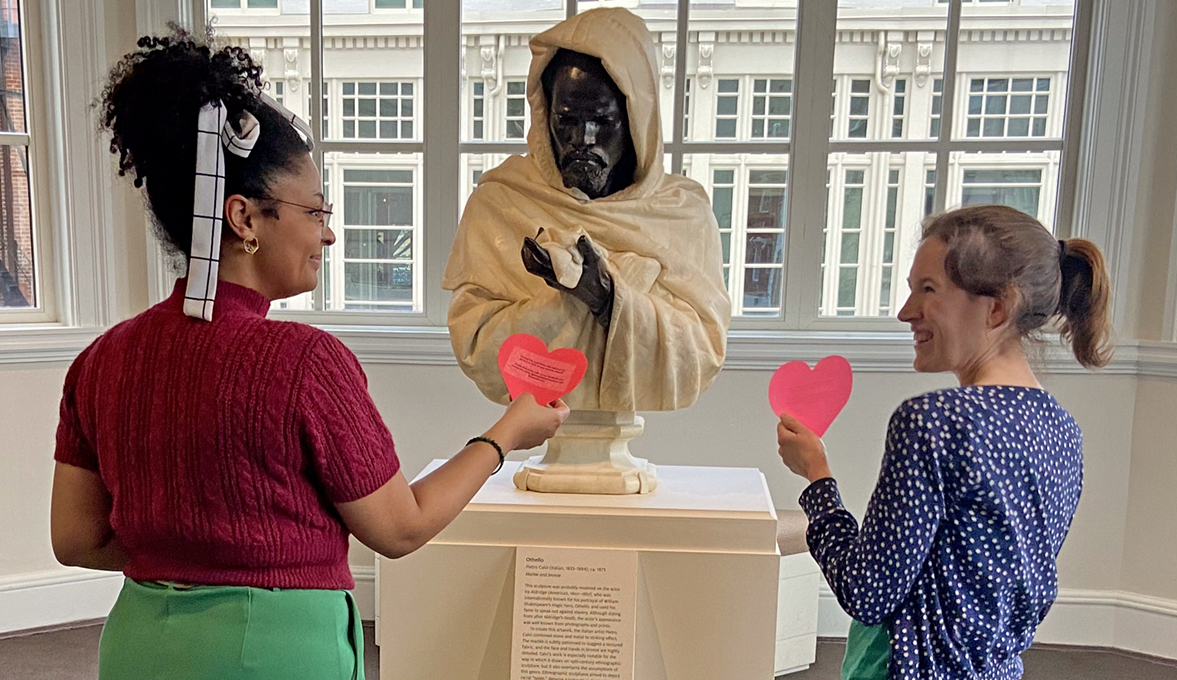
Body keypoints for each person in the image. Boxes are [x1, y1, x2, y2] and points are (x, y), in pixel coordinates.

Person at [49, 28, 568, 680]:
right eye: (316, 210)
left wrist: (184, 544)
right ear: (243, 219)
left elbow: (76, 539)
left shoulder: (102, 361)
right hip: (273, 652)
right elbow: (399, 529)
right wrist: (505, 434)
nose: (328, 231)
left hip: (139, 648)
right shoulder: (302, 362)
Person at [775, 205, 1113, 680]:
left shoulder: (933, 423)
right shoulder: (1062, 431)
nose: (905, 312)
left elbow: (866, 592)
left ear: (998, 306)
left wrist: (817, 478)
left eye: (927, 290)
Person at [443, 7, 730, 413]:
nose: (583, 139)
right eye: (567, 120)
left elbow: (702, 353)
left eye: (602, 120)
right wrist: (562, 301)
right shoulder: (501, 202)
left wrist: (609, 299)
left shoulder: (682, 213)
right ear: (545, 115)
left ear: (636, 119)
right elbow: (475, 344)